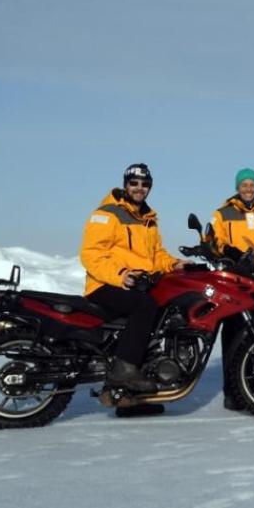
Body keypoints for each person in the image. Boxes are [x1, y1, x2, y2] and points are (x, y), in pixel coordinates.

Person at [81, 163, 184, 394]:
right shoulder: (107, 213)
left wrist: (174, 264)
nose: (139, 188)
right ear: (125, 184)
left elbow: (156, 255)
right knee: (145, 305)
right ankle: (124, 371)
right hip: (105, 283)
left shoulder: (147, 219)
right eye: (134, 183)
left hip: (137, 283)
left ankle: (133, 396)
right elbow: (91, 254)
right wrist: (120, 276)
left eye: (145, 184)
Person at [211, 167, 254, 410]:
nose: (248, 189)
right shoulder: (222, 214)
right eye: (244, 184)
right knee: (233, 337)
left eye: (252, 184)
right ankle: (232, 392)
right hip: (234, 284)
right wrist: (228, 251)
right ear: (237, 187)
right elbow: (212, 239)